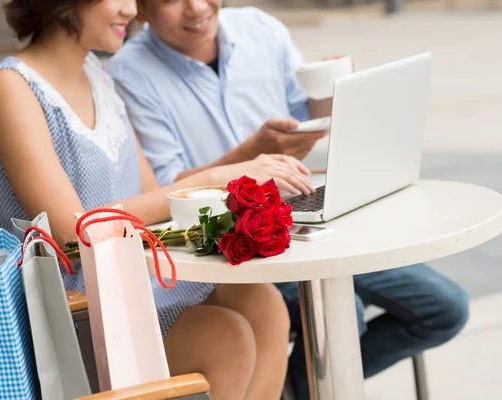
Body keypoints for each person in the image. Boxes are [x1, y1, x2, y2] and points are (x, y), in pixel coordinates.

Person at [106, 1, 471, 398]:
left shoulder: (260, 28)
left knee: (446, 308)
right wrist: (249, 156)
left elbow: (305, 116)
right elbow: (165, 192)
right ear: (138, 10)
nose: (195, 8)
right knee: (345, 316)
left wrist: (335, 93)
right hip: (235, 244)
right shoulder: (128, 74)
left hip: (303, 211)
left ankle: (293, 388)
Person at [0, 1, 319, 399]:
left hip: (130, 284)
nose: (131, 9)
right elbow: (72, 235)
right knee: (224, 338)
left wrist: (240, 171)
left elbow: (152, 198)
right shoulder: (11, 87)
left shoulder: (97, 77)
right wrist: (215, 178)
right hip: (72, 312)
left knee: (263, 304)